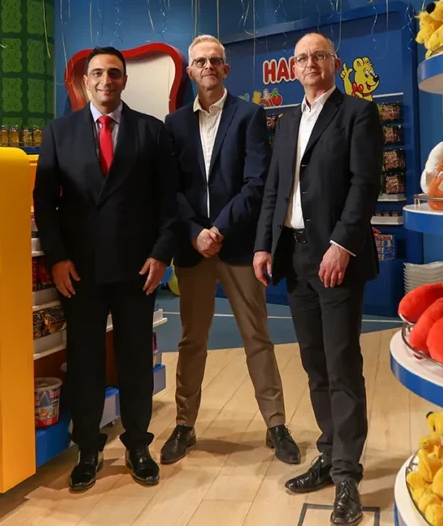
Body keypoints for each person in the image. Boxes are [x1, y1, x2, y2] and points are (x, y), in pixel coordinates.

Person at [254, 32, 383, 526]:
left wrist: (343, 244)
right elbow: (274, 189)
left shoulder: (358, 114)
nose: (310, 63)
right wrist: (264, 244)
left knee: (342, 363)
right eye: (302, 58)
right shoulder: (287, 120)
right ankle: (329, 454)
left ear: (335, 62)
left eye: (319, 55)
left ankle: (348, 475)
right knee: (314, 364)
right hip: (295, 256)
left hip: (336, 258)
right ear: (293, 68)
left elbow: (365, 185)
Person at [33, 46, 177, 493]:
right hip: (79, 271)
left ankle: (137, 445)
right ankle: (88, 449)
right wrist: (57, 257)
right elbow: (45, 202)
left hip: (138, 268)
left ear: (124, 80)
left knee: (135, 361)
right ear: (84, 81)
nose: (105, 80)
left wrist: (161, 254)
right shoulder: (59, 132)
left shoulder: (152, 132)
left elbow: (169, 200)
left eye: (114, 73)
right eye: (97, 73)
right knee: (85, 362)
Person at [161, 35, 300, 467]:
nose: (207, 66)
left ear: (226, 68)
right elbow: (171, 190)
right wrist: (194, 233)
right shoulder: (174, 124)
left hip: (236, 245)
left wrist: (218, 229)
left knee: (257, 337)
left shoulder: (249, 115)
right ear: (189, 71)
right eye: (200, 61)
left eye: (214, 60)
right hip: (193, 250)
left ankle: (276, 425)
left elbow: (257, 183)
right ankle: (184, 425)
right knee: (191, 340)